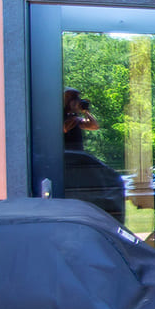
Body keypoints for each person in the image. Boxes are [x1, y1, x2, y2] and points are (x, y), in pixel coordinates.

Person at [61, 88, 127, 224]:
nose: (79, 103)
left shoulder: (75, 118)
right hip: (67, 159)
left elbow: (94, 126)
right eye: (76, 101)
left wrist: (86, 112)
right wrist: (75, 116)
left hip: (78, 159)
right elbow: (64, 128)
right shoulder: (63, 118)